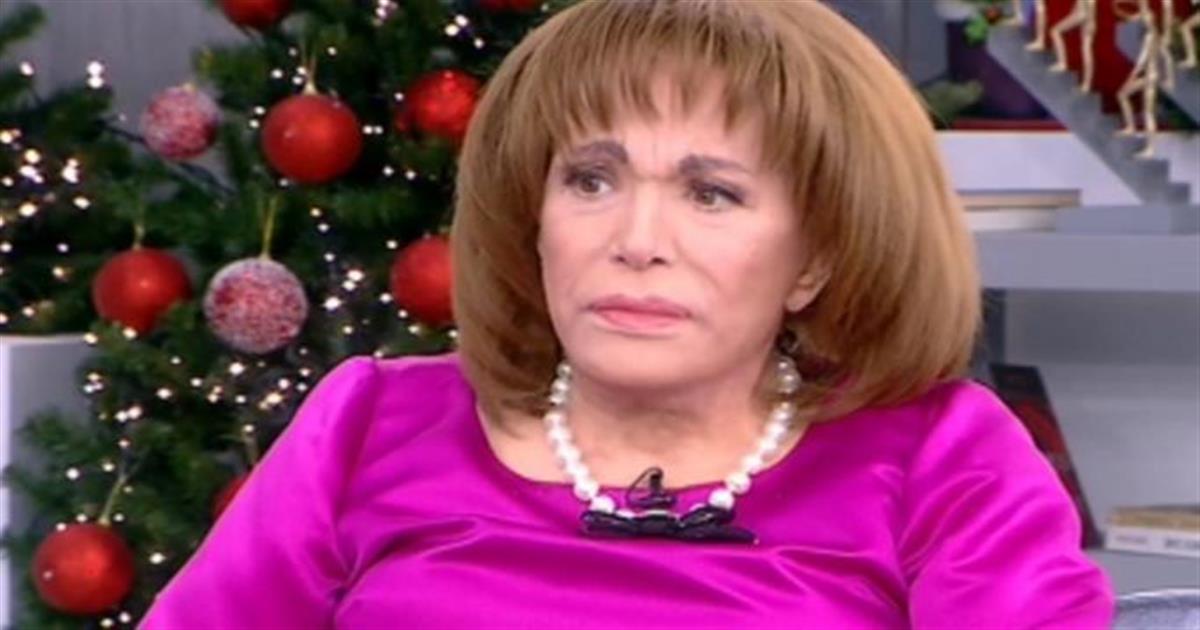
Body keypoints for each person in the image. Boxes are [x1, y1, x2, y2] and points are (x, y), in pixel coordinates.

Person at [139, 1, 1115, 627]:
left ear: (815, 258)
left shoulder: (939, 454)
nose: (637, 239)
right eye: (592, 181)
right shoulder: (368, 425)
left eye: (712, 193)